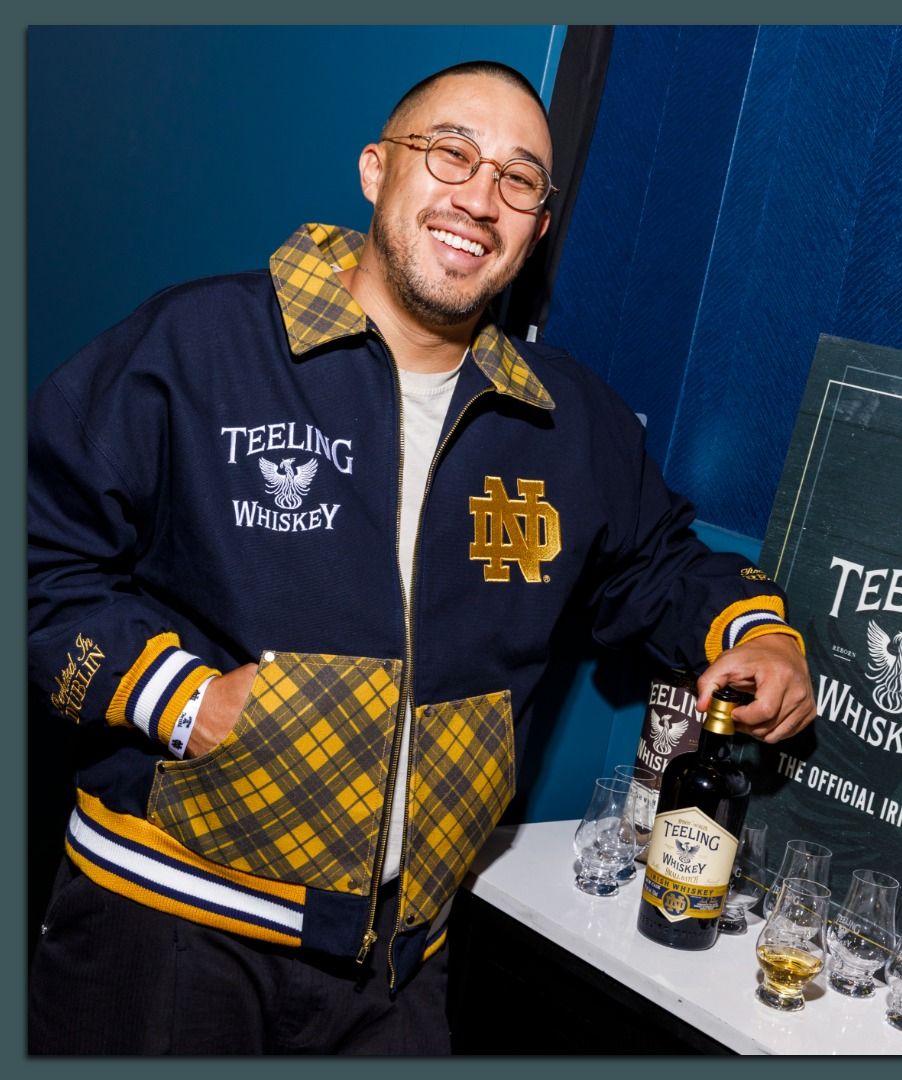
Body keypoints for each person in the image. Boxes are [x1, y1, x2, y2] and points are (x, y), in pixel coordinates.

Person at [27, 60, 815, 1054]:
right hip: (167, 930)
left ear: (538, 226)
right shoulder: (200, 343)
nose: (480, 197)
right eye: (452, 153)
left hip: (402, 968)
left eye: (518, 180)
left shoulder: (568, 422)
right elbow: (38, 551)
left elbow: (660, 564)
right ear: (375, 170)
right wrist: (176, 699)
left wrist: (761, 632)